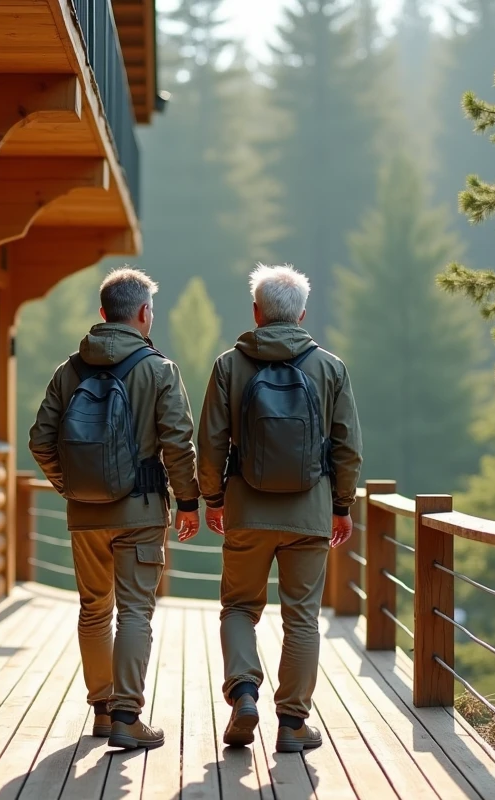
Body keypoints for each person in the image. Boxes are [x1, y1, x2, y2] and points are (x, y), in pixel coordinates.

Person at [29, 267, 201, 751]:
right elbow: (178, 444)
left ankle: (102, 712)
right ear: (144, 314)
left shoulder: (70, 370)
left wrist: (71, 487)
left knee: (93, 610)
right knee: (135, 614)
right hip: (142, 511)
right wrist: (188, 503)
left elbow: (40, 441)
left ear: (103, 313)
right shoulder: (158, 369)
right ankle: (128, 716)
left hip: (85, 515)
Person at [197, 263, 362, 753]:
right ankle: (292, 725)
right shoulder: (330, 368)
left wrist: (211, 497)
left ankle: (244, 691)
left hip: (246, 509)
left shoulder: (230, 364)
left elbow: (210, 442)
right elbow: (347, 447)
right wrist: (341, 505)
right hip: (310, 512)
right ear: (303, 314)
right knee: (302, 618)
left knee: (239, 607)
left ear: (256, 312)